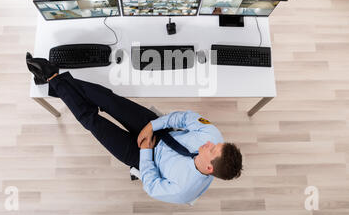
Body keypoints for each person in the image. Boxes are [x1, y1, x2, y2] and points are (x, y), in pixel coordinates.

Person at [26, 53, 243, 204]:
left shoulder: (184, 191)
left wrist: (147, 151)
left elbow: (151, 185)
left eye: (212, 150)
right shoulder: (212, 135)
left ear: (209, 169)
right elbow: (185, 118)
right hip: (158, 130)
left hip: (142, 158)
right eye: (216, 145)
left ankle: (52, 78)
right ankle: (54, 82)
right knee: (107, 100)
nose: (209, 144)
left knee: (92, 121)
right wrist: (152, 126)